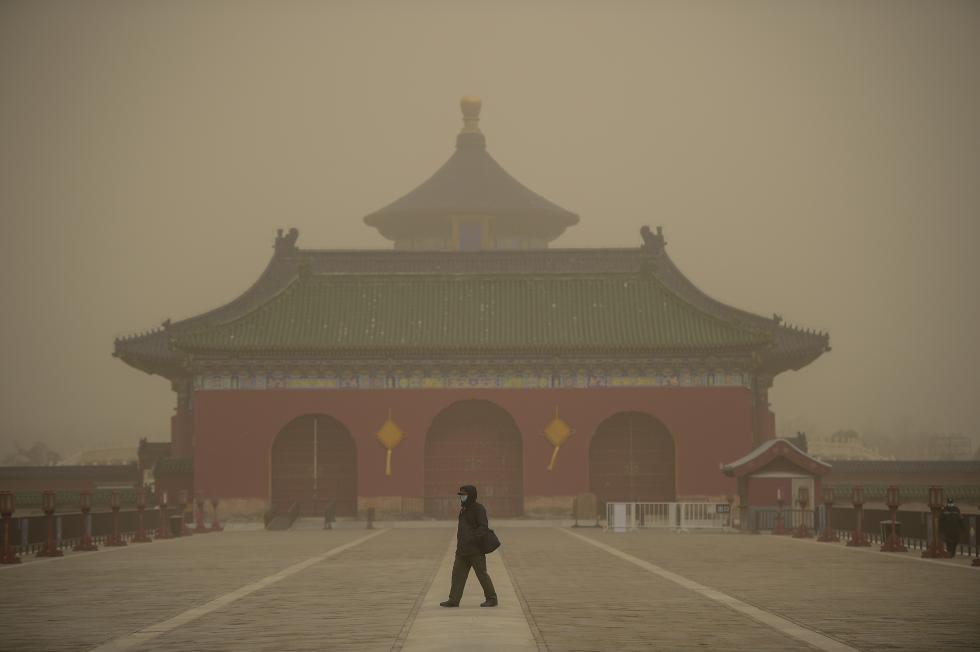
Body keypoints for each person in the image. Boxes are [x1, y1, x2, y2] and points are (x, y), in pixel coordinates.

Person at [440, 485, 498, 608]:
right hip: (462, 550)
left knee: (482, 574)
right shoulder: (463, 509)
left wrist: (473, 538)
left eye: (464, 495)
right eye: (461, 495)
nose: (462, 497)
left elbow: (483, 526)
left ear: (471, 495)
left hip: (475, 550)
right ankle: (453, 600)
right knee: (457, 575)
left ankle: (492, 598)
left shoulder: (478, 509)